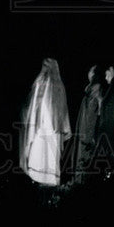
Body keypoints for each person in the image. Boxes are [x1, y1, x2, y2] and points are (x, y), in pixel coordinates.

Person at [20, 58, 72, 186]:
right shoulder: (60, 86)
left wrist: (31, 129)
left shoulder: (41, 84)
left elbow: (34, 110)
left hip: (41, 130)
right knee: (48, 168)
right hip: (53, 132)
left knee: (40, 167)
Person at [72, 64, 103, 183]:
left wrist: (88, 136)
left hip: (87, 133)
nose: (88, 72)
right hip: (84, 130)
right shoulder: (90, 89)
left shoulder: (95, 89)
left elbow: (93, 113)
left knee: (84, 161)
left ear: (94, 73)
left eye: (90, 70)